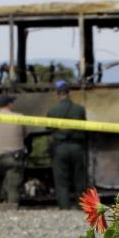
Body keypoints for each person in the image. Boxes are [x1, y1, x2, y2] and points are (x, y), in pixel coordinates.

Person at [46, 80, 87, 209]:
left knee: (61, 180)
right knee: (79, 179)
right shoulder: (80, 109)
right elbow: (84, 126)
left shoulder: (52, 110)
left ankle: (64, 207)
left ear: (58, 94)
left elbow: (48, 129)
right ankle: (81, 206)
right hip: (77, 147)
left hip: (60, 148)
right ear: (69, 93)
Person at [0, 94, 28, 204]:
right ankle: (11, 212)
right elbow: (25, 134)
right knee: (13, 188)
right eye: (12, 102)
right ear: (9, 104)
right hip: (14, 159)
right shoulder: (20, 117)